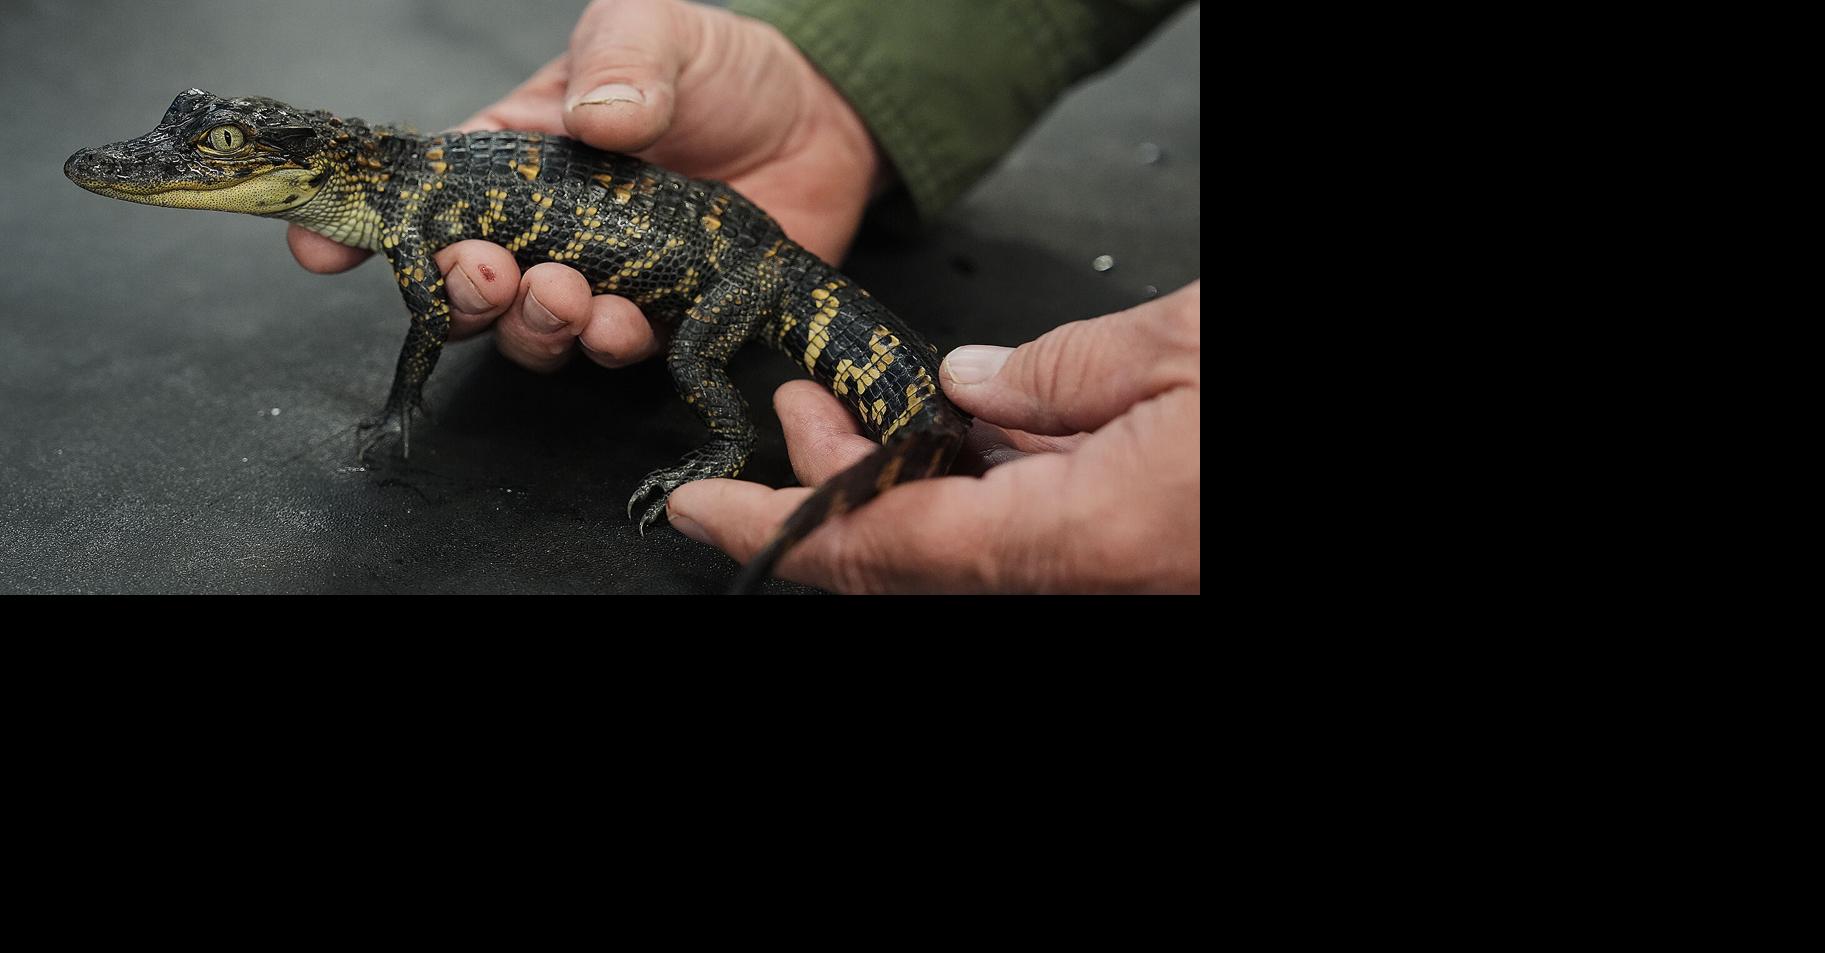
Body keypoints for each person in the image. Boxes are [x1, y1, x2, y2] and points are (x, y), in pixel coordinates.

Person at [287, 0, 1199, 593]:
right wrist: (836, 95)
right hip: (739, 241)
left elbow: (433, 310)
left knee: (687, 350)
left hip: (743, 271)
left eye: (216, 149)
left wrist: (406, 398)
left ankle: (725, 439)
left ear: (316, 160)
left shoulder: (407, 195)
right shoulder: (410, 189)